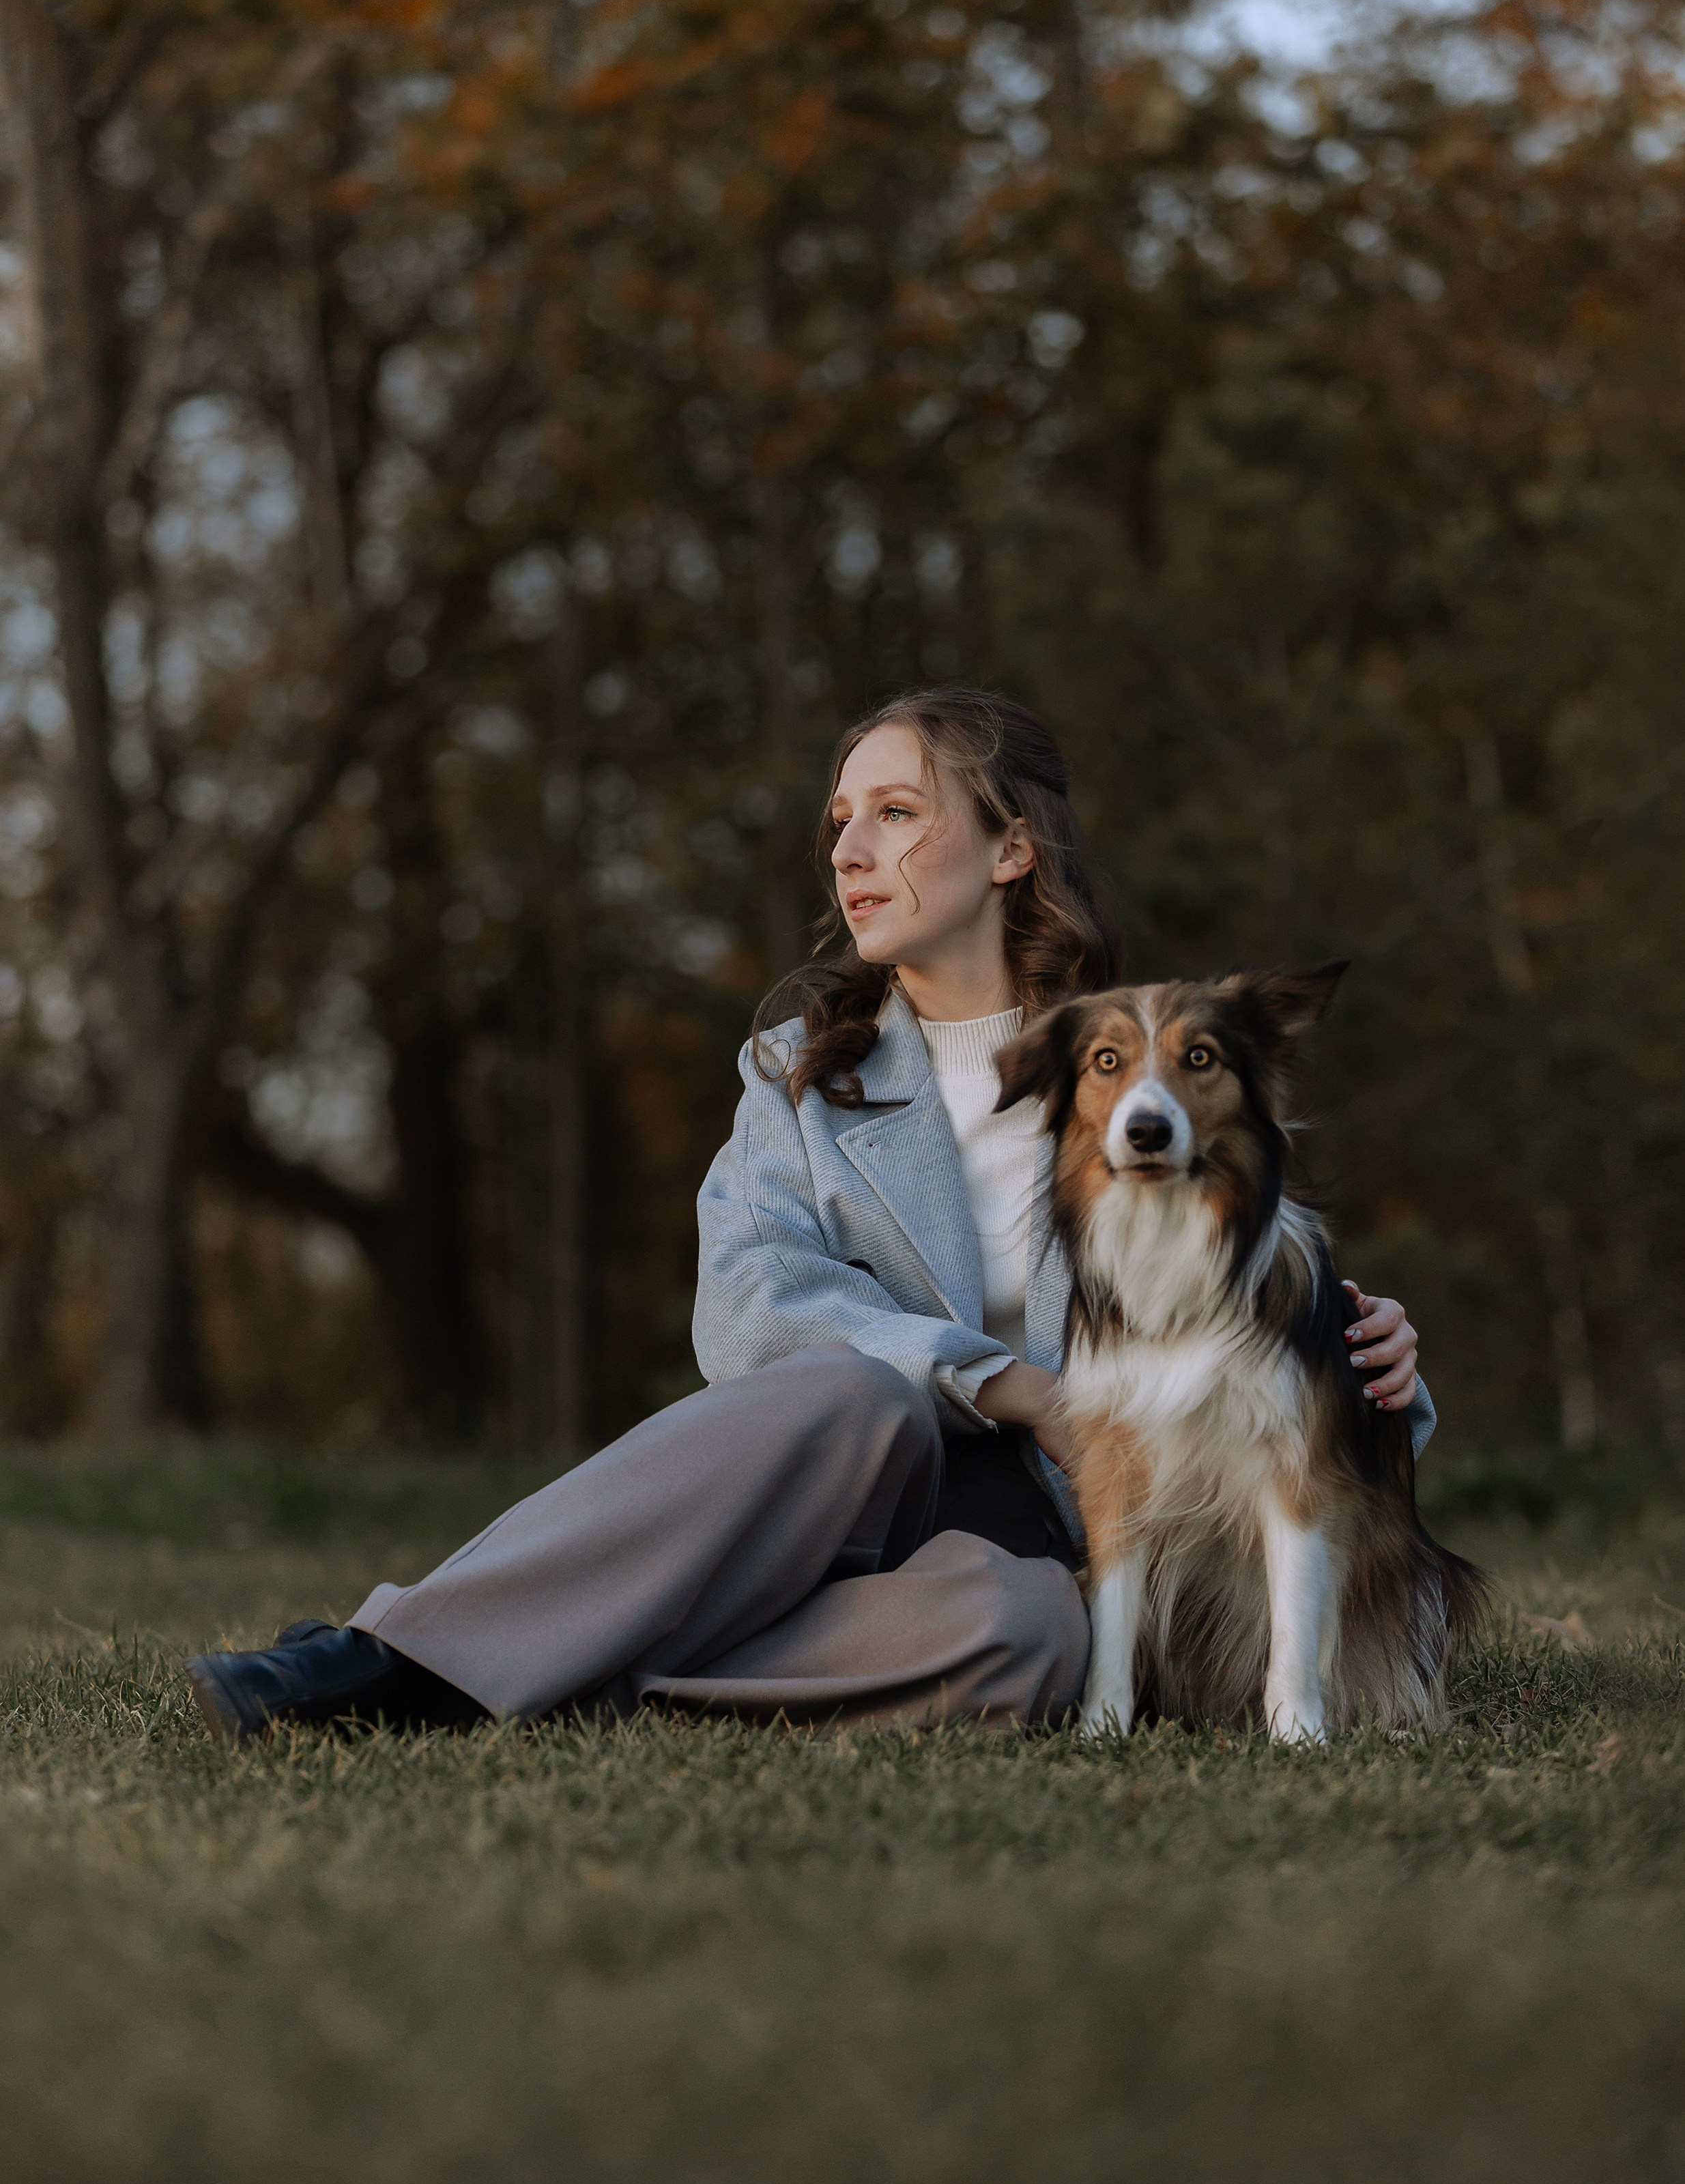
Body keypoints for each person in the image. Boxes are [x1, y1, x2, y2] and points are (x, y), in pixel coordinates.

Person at [186, 688, 1429, 1742]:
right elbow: (745, 1308)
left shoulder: (1138, 1068)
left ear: (1011, 851)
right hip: (838, 1479)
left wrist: (1381, 1362)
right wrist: (999, 1382)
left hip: (1050, 1535)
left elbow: (1261, 1352)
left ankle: (556, 1671)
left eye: (896, 815)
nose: (847, 852)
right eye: (841, 821)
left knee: (1031, 1636)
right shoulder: (799, 1073)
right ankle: (385, 1660)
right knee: (857, 1386)